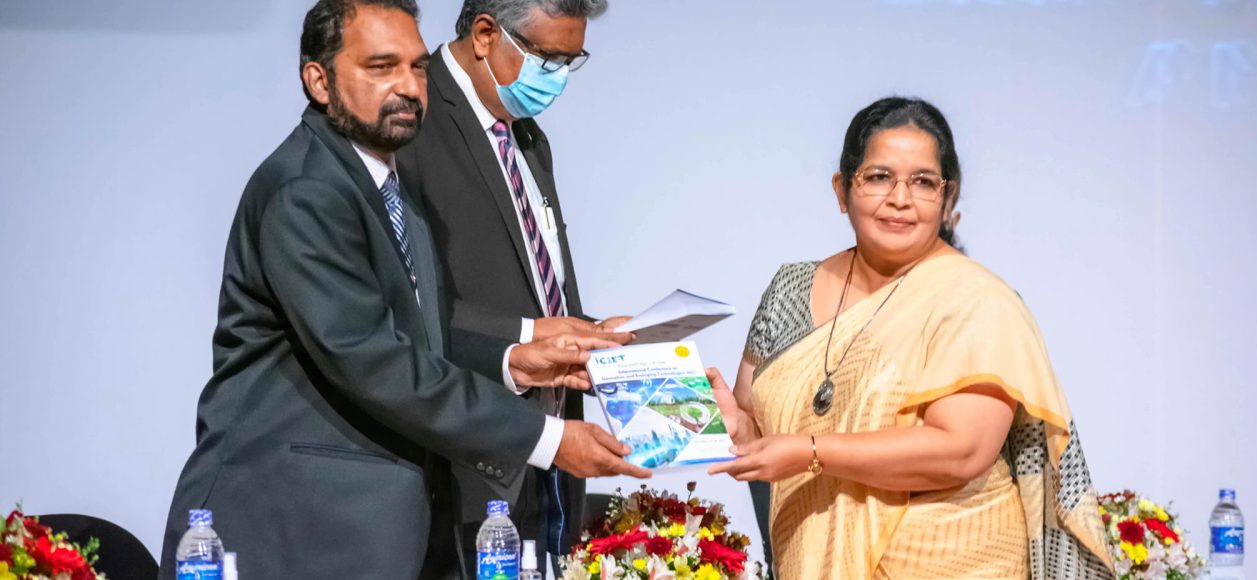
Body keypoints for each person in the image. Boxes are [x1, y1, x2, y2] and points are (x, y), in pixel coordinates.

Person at [158, 1, 648, 577]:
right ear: (319, 80)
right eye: (381, 67)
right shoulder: (306, 191)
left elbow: (418, 335)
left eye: (416, 67)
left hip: (377, 529)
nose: (410, 87)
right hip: (290, 528)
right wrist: (548, 438)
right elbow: (375, 361)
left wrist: (518, 359)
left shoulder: (389, 187)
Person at [708, 97, 1114, 579]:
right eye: (879, 177)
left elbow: (960, 450)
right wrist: (738, 430)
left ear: (947, 197)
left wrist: (810, 451)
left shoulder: (976, 299)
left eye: (923, 182)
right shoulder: (789, 289)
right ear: (842, 189)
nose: (900, 198)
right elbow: (765, 432)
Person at [395, 1, 614, 575]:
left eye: (571, 61)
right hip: (457, 464)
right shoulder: (412, 122)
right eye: (549, 58)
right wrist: (525, 337)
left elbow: (543, 284)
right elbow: (407, 308)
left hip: (545, 468)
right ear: (486, 35)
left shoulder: (529, 138)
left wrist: (598, 335)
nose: (558, 78)